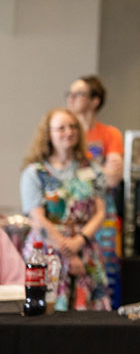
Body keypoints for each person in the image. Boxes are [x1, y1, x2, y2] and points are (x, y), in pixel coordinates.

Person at [18, 109, 111, 310]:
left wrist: (79, 241)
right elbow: (37, 218)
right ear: (48, 134)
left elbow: (100, 212)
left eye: (73, 126)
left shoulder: (93, 169)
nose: (69, 132)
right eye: (61, 128)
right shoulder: (34, 173)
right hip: (46, 252)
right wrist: (69, 254)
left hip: (85, 248)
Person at [65, 75, 124, 307]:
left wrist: (82, 170)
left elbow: (113, 177)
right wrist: (98, 168)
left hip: (103, 211)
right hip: (72, 213)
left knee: (105, 270)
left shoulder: (110, 134)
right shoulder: (66, 135)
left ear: (95, 100)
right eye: (69, 94)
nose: (71, 99)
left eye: (78, 93)